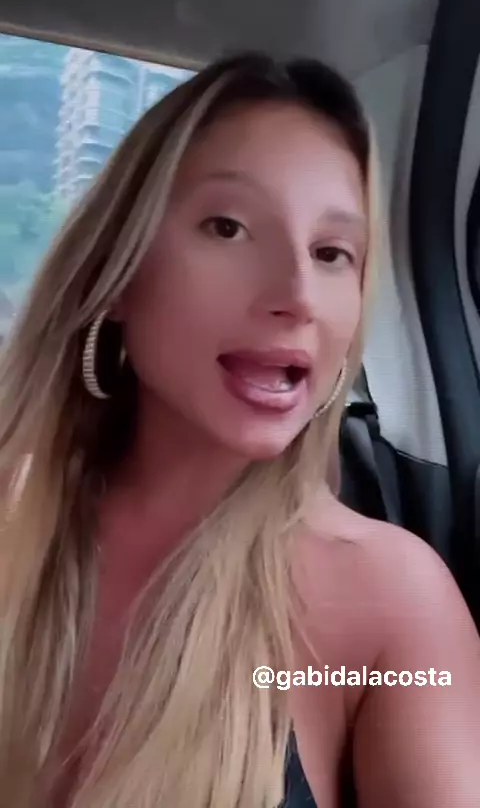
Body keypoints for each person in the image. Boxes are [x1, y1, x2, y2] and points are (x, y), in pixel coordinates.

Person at [0, 52, 478, 808]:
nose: (297, 294)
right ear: (120, 271)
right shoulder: (13, 509)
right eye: (229, 227)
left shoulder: (392, 600)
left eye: (331, 253)